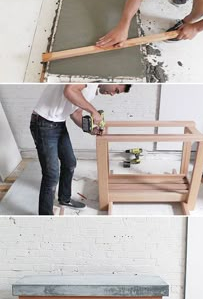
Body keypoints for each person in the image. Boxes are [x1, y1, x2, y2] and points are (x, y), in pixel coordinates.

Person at [30, 84, 131, 215]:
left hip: (58, 123)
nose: (112, 94)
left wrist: (91, 130)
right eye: (116, 90)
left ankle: (64, 199)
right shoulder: (89, 78)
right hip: (43, 123)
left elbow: (76, 113)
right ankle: (45, 217)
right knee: (51, 175)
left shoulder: (92, 91)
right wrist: (93, 111)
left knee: (70, 162)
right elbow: (69, 90)